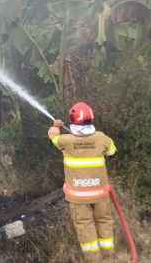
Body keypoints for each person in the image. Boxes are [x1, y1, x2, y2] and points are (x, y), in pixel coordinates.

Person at [48, 103, 115, 262]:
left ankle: (93, 259)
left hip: (79, 198)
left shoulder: (65, 140)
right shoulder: (101, 137)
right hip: (100, 194)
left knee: (85, 225)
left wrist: (56, 126)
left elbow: (52, 136)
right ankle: (109, 257)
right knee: (104, 221)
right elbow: (112, 151)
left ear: (72, 120)